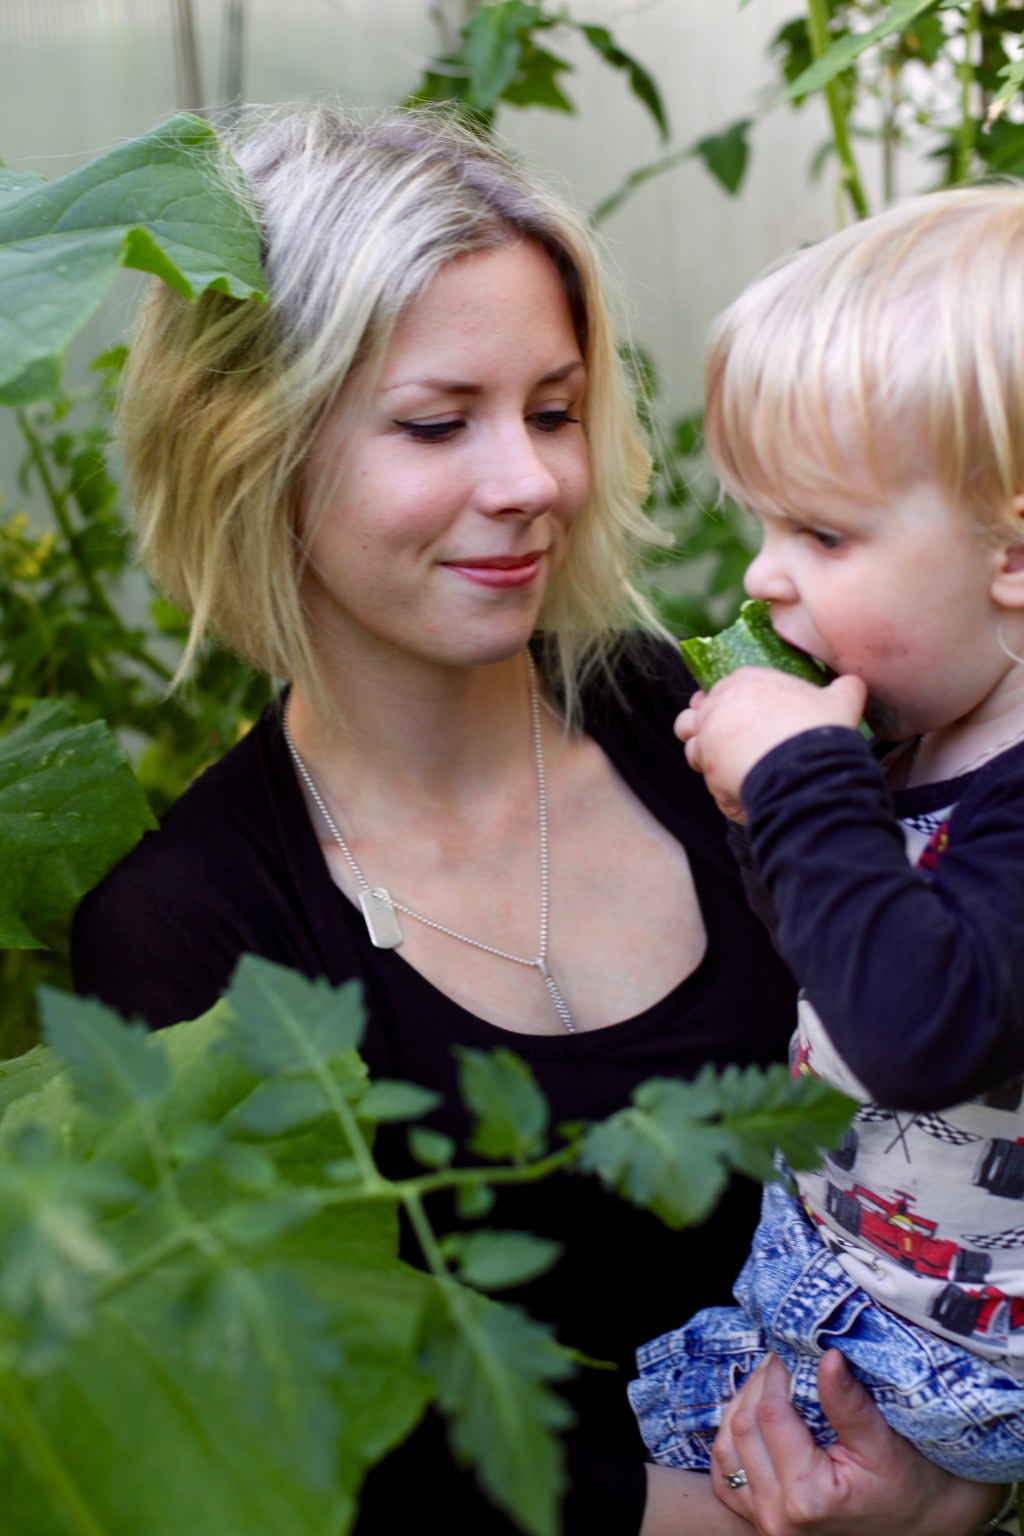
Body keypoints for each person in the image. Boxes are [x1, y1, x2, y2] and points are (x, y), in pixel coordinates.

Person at [70, 103, 1003, 1535]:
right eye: (440, 423)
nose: (532, 484)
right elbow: (339, 1436)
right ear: (255, 446)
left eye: (556, 411)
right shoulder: (191, 932)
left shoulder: (687, 713)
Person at [632, 185, 1024, 1529]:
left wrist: (803, 784)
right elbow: (836, 958)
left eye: (823, 535)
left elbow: (921, 1028)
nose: (761, 580)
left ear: (1014, 552)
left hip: (947, 1362)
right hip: (845, 1280)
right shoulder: (929, 736)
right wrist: (771, 823)